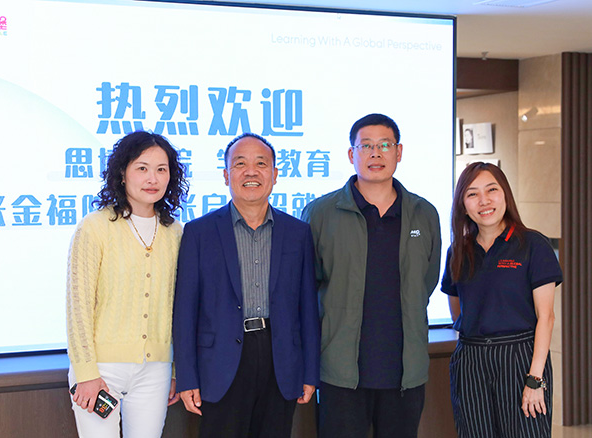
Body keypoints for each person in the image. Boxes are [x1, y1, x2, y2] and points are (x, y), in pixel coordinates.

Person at [301, 113, 442, 438]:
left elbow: (427, 281)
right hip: (340, 372)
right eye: (366, 146)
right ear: (352, 154)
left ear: (399, 152)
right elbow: (308, 289)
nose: (375, 153)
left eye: (384, 145)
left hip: (405, 372)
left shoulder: (423, 213)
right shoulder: (321, 214)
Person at [173, 133, 320, 438]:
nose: (251, 172)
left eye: (261, 164)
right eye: (240, 164)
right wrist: (186, 377)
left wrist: (310, 372)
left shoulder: (298, 233)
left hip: (280, 360)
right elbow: (185, 311)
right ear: (226, 175)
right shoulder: (199, 233)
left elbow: (308, 308)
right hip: (220, 363)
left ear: (275, 174)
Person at [66, 131, 188, 438]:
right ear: (122, 173)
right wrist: (86, 373)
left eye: (161, 169)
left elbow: (181, 309)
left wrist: (176, 370)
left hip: (156, 370)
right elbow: (78, 306)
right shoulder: (95, 227)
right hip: (102, 368)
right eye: (142, 168)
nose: (152, 178)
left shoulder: (176, 233)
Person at [442, 162, 562, 438]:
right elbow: (457, 308)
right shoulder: (458, 251)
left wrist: (535, 378)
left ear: (505, 194)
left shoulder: (533, 245)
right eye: (472, 194)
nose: (483, 201)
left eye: (491, 190)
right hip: (471, 360)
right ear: (463, 205)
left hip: (520, 359)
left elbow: (546, 317)